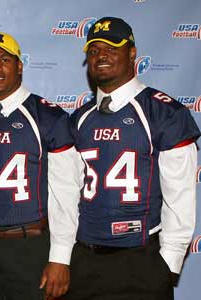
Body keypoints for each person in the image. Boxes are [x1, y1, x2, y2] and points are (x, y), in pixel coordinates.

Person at [64, 17, 200, 300]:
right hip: (85, 260)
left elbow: (180, 195)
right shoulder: (79, 119)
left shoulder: (165, 113)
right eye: (93, 50)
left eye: (112, 48)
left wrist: (168, 263)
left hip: (141, 260)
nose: (101, 55)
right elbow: (67, 192)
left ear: (132, 52)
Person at [0, 32, 83, 300]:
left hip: (30, 245)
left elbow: (67, 193)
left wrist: (61, 256)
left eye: (4, 60)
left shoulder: (48, 117)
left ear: (19, 65)